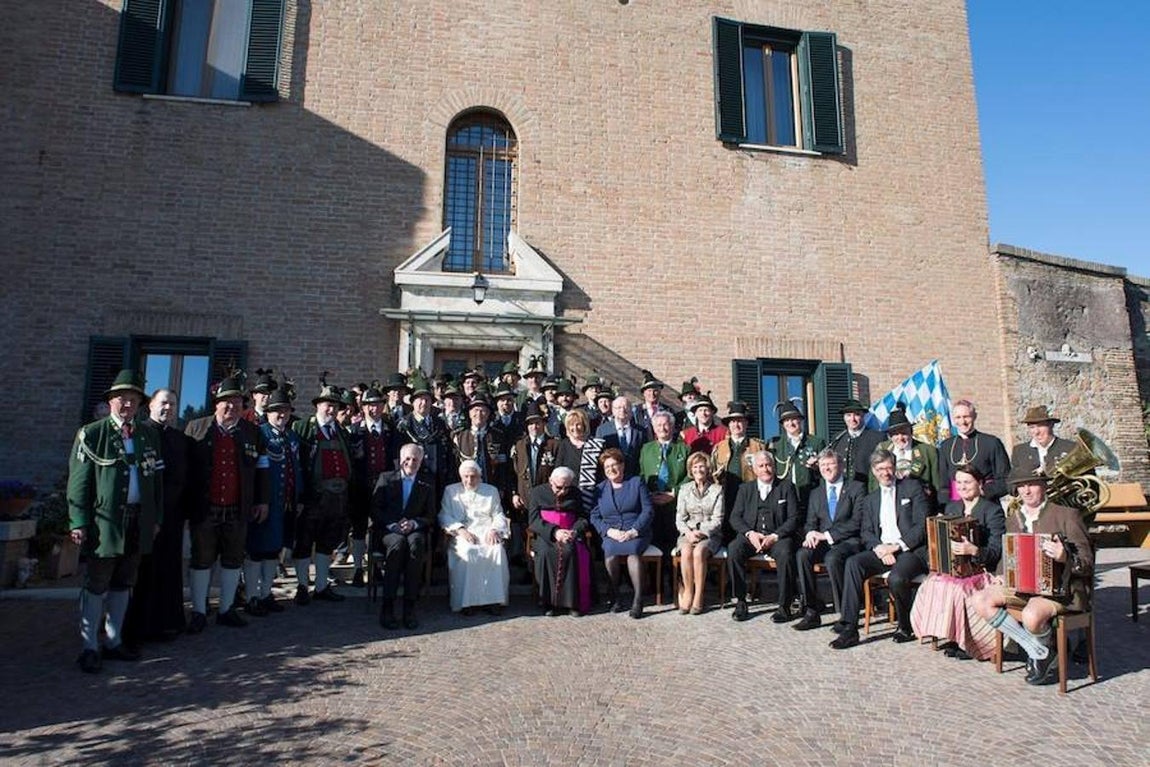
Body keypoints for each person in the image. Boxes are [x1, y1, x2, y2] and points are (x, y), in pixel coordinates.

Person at [68, 369, 164, 673]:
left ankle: (113, 640)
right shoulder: (92, 433)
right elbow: (79, 483)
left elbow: (157, 481)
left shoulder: (148, 434)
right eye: (122, 398)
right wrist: (78, 521)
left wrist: (156, 517)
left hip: (139, 520)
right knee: (97, 582)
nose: (128, 404)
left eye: (134, 399)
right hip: (105, 523)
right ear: (111, 401)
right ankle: (89, 647)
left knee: (125, 581)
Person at [971, 467, 1093, 685]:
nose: (1026, 490)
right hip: (1022, 587)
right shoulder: (1013, 519)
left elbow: (1087, 563)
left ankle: (1041, 652)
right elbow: (1008, 554)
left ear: (1044, 487)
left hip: (1060, 591)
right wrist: (1000, 574)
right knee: (980, 600)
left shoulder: (1067, 515)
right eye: (1021, 486)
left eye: (1032, 485)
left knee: (1031, 615)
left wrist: (1065, 556)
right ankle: (1038, 649)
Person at [185, 373, 270, 632]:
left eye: (236, 402)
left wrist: (262, 501)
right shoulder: (196, 428)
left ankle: (226, 608)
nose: (231, 406)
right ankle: (199, 611)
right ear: (216, 404)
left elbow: (262, 469)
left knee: (233, 559)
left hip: (238, 507)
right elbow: (185, 471)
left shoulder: (252, 432)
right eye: (226, 402)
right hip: (205, 507)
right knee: (202, 559)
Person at [830, 449, 930, 649]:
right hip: (882, 549)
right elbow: (866, 532)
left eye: (889, 467)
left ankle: (905, 626)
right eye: (880, 469)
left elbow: (922, 525)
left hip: (909, 551)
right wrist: (879, 548)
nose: (885, 473)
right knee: (853, 563)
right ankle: (849, 628)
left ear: (895, 468)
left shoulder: (912, 488)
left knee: (897, 578)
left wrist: (896, 547)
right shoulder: (871, 499)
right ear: (874, 472)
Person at [909, 464, 1005, 660]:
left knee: (958, 590)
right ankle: (951, 635)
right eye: (959, 482)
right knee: (933, 584)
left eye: (967, 482)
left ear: (979, 484)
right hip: (954, 570)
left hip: (982, 569)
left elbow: (996, 550)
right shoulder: (952, 508)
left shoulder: (992, 510)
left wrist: (974, 550)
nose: (962, 486)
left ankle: (970, 642)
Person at [123, 387, 188, 646]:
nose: (168, 408)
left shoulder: (179, 439)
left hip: (172, 517)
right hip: (144, 516)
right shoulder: (140, 433)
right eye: (163, 403)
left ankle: (167, 622)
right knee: (142, 571)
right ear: (150, 405)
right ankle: (139, 625)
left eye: (172, 404)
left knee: (169, 569)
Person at [292, 378, 354, 604]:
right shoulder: (303, 428)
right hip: (312, 497)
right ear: (317, 406)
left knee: (327, 542)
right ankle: (301, 586)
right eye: (327, 405)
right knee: (304, 542)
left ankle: (320, 586)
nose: (331, 409)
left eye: (335, 406)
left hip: (337, 498)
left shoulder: (341, 432)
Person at [243, 382, 301, 616]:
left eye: (285, 410)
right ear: (267, 413)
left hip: (285, 503)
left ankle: (267, 594)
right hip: (265, 503)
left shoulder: (292, 437)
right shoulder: (259, 434)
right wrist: (259, 500)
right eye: (277, 410)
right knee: (257, 550)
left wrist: (299, 497)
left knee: (273, 550)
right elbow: (255, 472)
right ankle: (251, 597)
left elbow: (297, 469)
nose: (282, 414)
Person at [792, 448, 866, 630]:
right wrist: (810, 533)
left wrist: (826, 535)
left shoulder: (856, 488)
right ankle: (811, 610)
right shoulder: (816, 493)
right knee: (803, 554)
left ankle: (844, 613)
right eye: (823, 465)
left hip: (849, 541)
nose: (826, 468)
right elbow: (810, 522)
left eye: (831, 464)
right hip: (824, 542)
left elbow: (857, 522)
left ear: (840, 466)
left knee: (833, 558)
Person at [727, 451, 800, 622]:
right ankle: (741, 601)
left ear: (774, 467)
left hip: (778, 536)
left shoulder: (786, 486)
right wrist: (750, 533)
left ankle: (785, 605)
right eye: (761, 466)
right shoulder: (745, 489)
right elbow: (735, 517)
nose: (766, 469)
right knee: (734, 549)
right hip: (752, 536)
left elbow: (794, 518)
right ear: (754, 469)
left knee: (785, 552)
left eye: (768, 465)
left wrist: (775, 536)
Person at [371, 443, 436, 630]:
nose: (411, 462)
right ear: (401, 459)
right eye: (407, 458)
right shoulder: (386, 478)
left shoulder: (427, 482)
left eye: (415, 459)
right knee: (398, 545)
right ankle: (388, 605)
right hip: (389, 530)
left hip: (414, 529)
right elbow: (375, 509)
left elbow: (430, 514)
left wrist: (415, 523)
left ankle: (409, 606)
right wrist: (393, 524)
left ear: (421, 460)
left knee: (416, 544)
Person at [439, 460, 511, 615]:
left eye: (473, 476)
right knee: (469, 551)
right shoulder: (451, 491)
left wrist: (494, 530)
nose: (469, 480)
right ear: (460, 476)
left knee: (496, 550)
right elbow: (444, 515)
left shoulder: (491, 490)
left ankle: (494, 600)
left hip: (486, 531)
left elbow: (498, 514)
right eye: (466, 476)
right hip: (463, 533)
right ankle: (467, 602)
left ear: (480, 476)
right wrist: (460, 530)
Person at [591, 448, 654, 618]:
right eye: (607, 467)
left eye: (614, 465)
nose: (611, 469)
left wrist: (634, 531)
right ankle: (615, 596)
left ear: (622, 465)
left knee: (633, 554)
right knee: (610, 553)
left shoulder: (636, 482)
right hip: (612, 533)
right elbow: (594, 516)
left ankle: (638, 600)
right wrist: (609, 531)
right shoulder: (600, 488)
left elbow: (648, 510)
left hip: (636, 531)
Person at [528, 466, 592, 616]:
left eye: (566, 487)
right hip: (546, 534)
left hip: (570, 533)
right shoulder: (537, 492)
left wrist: (574, 531)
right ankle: (548, 603)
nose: (563, 491)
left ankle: (572, 603)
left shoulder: (575, 493)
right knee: (545, 553)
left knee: (571, 552)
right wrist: (555, 532)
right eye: (559, 487)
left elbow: (583, 517)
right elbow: (533, 520)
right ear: (551, 481)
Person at [638, 410, 688, 597]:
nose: (662, 428)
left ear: (673, 427)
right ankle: (655, 586)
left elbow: (690, 477)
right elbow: (641, 475)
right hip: (652, 505)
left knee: (674, 546)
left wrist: (674, 493)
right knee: (654, 543)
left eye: (666, 424)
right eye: (658, 425)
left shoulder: (683, 448)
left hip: (676, 506)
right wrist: (648, 495)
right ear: (653, 428)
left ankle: (676, 584)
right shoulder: (646, 449)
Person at [711, 401, 767, 543]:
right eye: (733, 421)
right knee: (728, 537)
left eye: (740, 421)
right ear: (729, 425)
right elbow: (712, 474)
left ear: (746, 423)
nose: (736, 425)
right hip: (727, 497)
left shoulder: (758, 446)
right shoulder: (719, 448)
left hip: (751, 498)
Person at [675, 451, 724, 614]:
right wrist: (688, 533)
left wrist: (700, 532)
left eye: (701, 466)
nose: (698, 470)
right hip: (687, 533)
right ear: (690, 469)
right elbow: (679, 518)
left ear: (708, 468)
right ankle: (688, 591)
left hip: (710, 535)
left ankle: (699, 595)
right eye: (695, 466)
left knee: (699, 551)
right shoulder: (684, 489)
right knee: (687, 550)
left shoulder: (717, 490)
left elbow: (718, 519)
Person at [938, 399, 1011, 502]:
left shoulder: (992, 443)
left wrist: (982, 492)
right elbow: (943, 483)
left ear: (974, 417)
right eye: (958, 417)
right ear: (953, 420)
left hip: (986, 503)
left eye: (966, 417)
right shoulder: (946, 446)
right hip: (956, 507)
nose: (962, 422)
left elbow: (1005, 479)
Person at [873, 407, 944, 510]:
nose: (900, 438)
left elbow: (937, 484)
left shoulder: (928, 451)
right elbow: (873, 483)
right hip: (889, 506)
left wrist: (940, 509)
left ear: (911, 432)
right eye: (896, 434)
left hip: (920, 508)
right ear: (890, 436)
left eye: (904, 433)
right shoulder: (882, 449)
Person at [770, 401, 826, 514]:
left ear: (800, 420)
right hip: (784, 500)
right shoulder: (774, 444)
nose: (790, 423)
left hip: (810, 498)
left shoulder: (816, 443)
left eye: (793, 419)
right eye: (786, 420)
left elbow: (826, 472)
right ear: (783, 424)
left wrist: (817, 468)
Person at [555, 408, 606, 513]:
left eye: (578, 424)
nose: (575, 428)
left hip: (593, 497)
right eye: (571, 425)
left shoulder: (596, 445)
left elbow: (603, 472)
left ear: (584, 425)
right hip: (570, 496)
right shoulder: (564, 444)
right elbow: (558, 470)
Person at [827, 399, 884, 484]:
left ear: (863, 416)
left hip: (868, 490)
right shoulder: (837, 439)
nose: (852, 419)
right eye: (848, 415)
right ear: (844, 417)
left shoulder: (877, 438)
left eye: (857, 415)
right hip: (843, 491)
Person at [1009, 405, 1077, 476]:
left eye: (1041, 426)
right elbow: (1014, 481)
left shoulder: (1070, 448)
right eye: (1032, 427)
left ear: (1051, 425)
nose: (1036, 432)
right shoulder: (1019, 451)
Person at [595, 395, 644, 475]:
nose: (622, 410)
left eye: (626, 407)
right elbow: (600, 457)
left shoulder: (640, 431)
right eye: (619, 408)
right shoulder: (602, 430)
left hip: (634, 477)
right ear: (613, 411)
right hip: (611, 476)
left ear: (631, 410)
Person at [632, 369, 673, 441]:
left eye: (655, 391)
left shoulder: (668, 410)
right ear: (644, 393)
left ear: (660, 392)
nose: (652, 394)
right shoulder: (636, 411)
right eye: (649, 391)